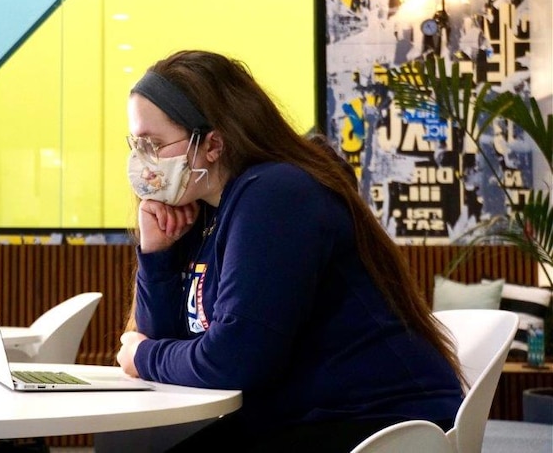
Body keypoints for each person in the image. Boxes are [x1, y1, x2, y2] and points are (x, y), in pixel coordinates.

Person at [115, 50, 464, 452]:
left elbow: (232, 360)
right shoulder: (206, 215)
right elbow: (167, 344)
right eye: (136, 143)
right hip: (308, 416)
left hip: (383, 426)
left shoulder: (275, 194)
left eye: (153, 144)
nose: (142, 161)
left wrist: (143, 356)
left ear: (212, 144)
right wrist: (157, 255)